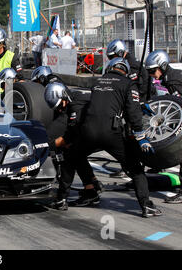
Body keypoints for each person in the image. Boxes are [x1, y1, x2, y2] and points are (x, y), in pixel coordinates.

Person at [69, 58, 161, 217]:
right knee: (135, 168)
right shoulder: (127, 83)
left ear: (110, 68)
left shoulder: (97, 82)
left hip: (89, 131)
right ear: (125, 70)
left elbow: (103, 103)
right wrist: (140, 135)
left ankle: (84, 192)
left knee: (76, 156)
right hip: (111, 133)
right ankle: (146, 205)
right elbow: (132, 113)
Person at [44, 82, 102, 210]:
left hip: (98, 134)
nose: (59, 110)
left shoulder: (75, 106)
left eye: (59, 106)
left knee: (69, 156)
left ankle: (61, 199)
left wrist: (50, 145)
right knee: (77, 154)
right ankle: (91, 187)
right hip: (101, 131)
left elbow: (70, 135)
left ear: (63, 96)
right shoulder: (76, 96)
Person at [145, 50, 182, 204]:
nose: (151, 74)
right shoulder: (171, 77)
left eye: (152, 71)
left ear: (162, 65)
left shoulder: (173, 81)